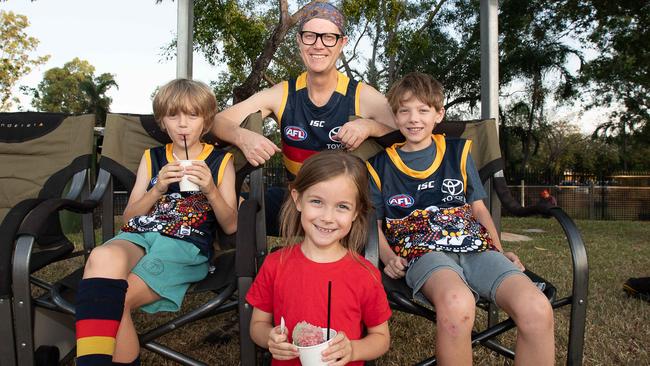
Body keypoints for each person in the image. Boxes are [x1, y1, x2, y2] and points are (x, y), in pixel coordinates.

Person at [367, 72, 555, 365]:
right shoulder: (379, 165)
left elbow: (478, 210)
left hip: (475, 246)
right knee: (457, 303)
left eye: (423, 110)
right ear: (395, 116)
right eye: (404, 110)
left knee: (536, 307)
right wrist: (389, 256)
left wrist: (499, 249)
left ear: (438, 114)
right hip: (423, 252)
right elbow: (374, 223)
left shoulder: (458, 152)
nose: (413, 119)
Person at [74, 79, 238, 366]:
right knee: (102, 255)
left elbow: (231, 225)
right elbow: (129, 218)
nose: (183, 124)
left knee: (112, 303)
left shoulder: (221, 162)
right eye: (174, 116)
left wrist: (210, 188)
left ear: (206, 120)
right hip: (140, 234)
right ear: (163, 121)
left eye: (192, 115)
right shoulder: (152, 158)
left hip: (184, 243)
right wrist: (158, 188)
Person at [211, 1, 396, 235]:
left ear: (342, 43)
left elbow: (410, 137)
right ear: (299, 40)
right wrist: (242, 137)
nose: (318, 45)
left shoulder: (362, 96)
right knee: (234, 210)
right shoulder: (283, 94)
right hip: (296, 201)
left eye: (328, 37)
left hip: (344, 209)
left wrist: (371, 126)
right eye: (310, 36)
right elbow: (217, 121)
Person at [246, 151, 392, 366]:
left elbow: (381, 338)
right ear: (298, 200)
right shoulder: (275, 264)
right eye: (317, 201)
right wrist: (269, 338)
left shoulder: (365, 273)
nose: (327, 217)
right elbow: (257, 324)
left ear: (355, 212)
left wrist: (353, 350)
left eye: (342, 206)